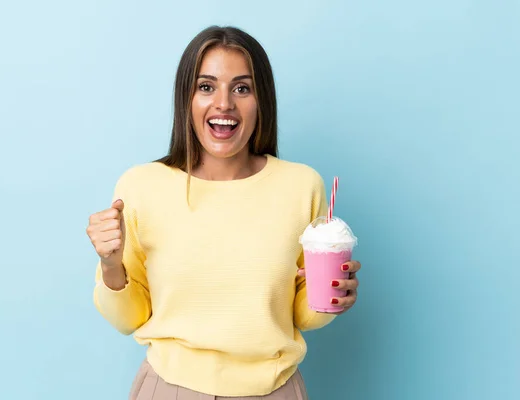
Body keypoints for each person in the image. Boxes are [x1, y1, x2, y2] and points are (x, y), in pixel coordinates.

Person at [86, 25, 361, 400]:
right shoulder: (141, 187)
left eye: (242, 88)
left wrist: (332, 295)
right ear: (187, 98)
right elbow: (128, 319)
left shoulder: (301, 186)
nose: (224, 104)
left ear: (261, 99)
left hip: (275, 389)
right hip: (170, 388)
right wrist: (110, 265)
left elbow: (301, 316)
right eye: (206, 86)